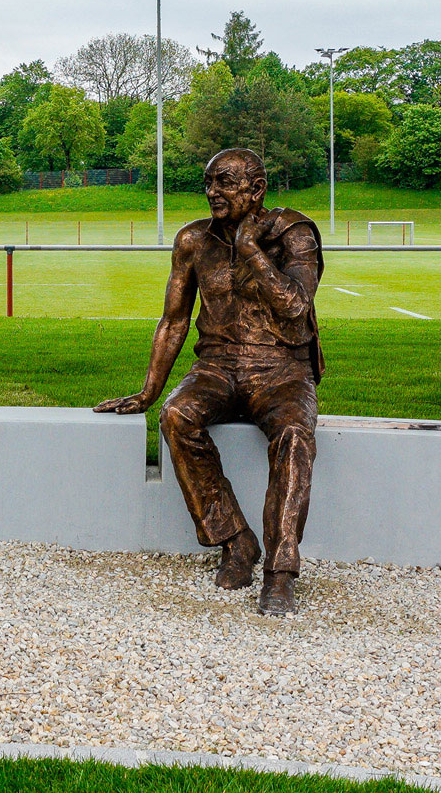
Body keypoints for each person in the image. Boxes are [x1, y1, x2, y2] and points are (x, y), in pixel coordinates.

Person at [95, 148, 324, 615]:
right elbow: (174, 320)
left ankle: (281, 572)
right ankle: (235, 540)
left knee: (295, 435)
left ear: (256, 189)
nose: (212, 193)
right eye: (208, 183)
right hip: (217, 367)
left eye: (224, 183)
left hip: (282, 370)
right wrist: (150, 389)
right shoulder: (193, 240)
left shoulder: (295, 234)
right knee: (177, 416)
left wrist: (251, 251)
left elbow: (295, 306)